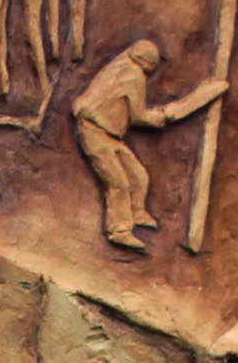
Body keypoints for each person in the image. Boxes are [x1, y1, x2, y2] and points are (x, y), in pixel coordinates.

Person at [72, 41, 224, 251]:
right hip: (95, 132)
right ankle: (119, 230)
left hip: (110, 135)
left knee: (138, 175)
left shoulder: (120, 66)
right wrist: (165, 115)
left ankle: (137, 212)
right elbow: (138, 116)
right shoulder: (132, 75)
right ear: (148, 63)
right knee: (118, 183)